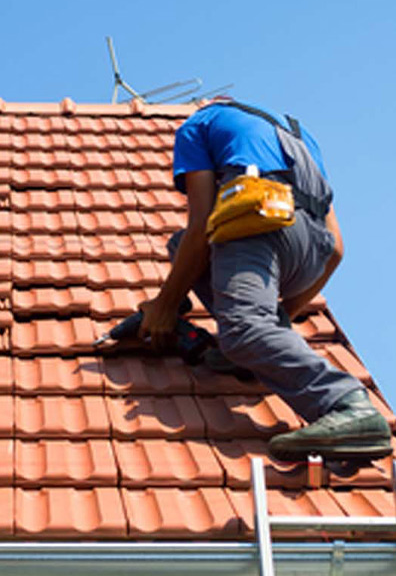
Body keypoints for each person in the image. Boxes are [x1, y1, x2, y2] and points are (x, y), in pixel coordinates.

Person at [139, 98, 391, 460]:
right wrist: (282, 314)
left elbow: (199, 229)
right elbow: (336, 249)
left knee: (240, 328)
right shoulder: (298, 136)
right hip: (310, 251)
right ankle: (258, 348)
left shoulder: (197, 126)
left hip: (259, 224)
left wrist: (164, 307)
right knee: (181, 248)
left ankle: (347, 406)